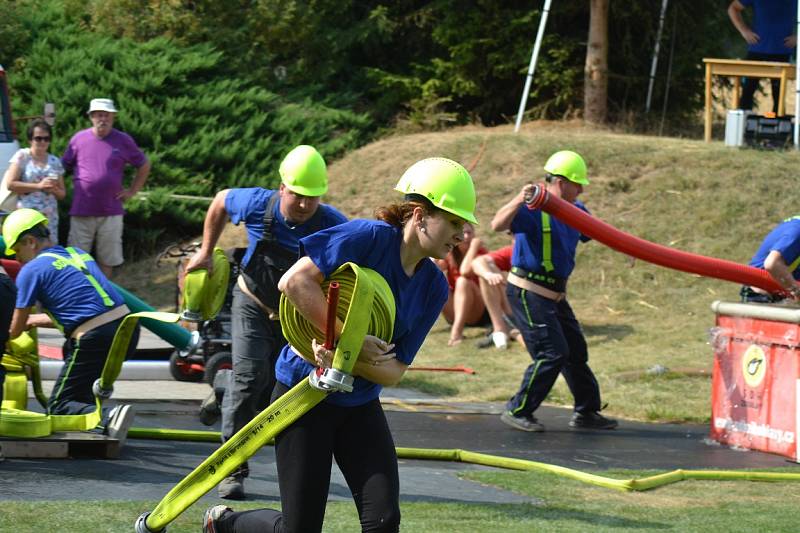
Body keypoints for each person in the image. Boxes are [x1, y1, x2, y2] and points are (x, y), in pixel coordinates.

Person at [201, 157, 477, 533]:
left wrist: (346, 355)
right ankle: (226, 525)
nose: (461, 235)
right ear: (418, 214)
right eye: (454, 222)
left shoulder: (434, 286)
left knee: (384, 520)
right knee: (299, 530)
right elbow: (295, 283)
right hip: (304, 394)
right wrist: (347, 341)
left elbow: (395, 371)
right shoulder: (367, 237)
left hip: (358, 403)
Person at [184, 145, 348, 500]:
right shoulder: (258, 204)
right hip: (252, 302)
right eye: (298, 196)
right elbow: (220, 202)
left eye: (313, 198)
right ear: (282, 188)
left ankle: (224, 386)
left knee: (274, 391)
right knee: (249, 379)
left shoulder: (333, 223)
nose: (305, 205)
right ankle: (231, 470)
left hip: (296, 318)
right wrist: (205, 250)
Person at [493, 150, 617, 433]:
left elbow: (598, 231)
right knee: (552, 352)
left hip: (555, 295)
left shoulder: (577, 210)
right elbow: (497, 224)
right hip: (528, 292)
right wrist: (519, 198)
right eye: (577, 183)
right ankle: (518, 409)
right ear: (560, 181)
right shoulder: (531, 209)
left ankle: (587, 412)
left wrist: (626, 249)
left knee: (575, 351)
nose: (582, 188)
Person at [3, 208, 136, 443]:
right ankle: (90, 413)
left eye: (16, 250)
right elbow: (89, 310)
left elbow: (13, 329)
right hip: (127, 329)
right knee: (74, 376)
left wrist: (12, 330)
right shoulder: (77, 255)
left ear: (31, 242)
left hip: (96, 338)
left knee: (59, 406)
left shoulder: (31, 271)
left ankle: (107, 417)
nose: (16, 258)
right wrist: (34, 320)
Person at [61, 98, 151, 278]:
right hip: (81, 210)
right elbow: (61, 168)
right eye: (99, 115)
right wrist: (60, 191)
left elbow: (144, 164)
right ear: (91, 117)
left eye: (107, 115)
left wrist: (132, 191)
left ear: (113, 117)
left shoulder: (123, 140)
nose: (103, 118)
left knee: (107, 259)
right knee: (76, 259)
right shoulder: (78, 139)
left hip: (111, 211)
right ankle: (78, 296)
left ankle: (105, 299)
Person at [3, 119, 66, 242]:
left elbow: (62, 194)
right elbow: (10, 184)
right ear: (30, 139)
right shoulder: (22, 156)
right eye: (38, 138)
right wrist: (39, 186)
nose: (42, 142)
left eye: (46, 138)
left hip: (49, 219)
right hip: (27, 217)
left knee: (48, 254)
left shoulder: (54, 161)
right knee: (28, 251)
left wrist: (54, 189)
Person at [728, 0, 797, 112]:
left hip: (782, 52)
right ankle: (744, 124)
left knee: (778, 96)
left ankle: (775, 124)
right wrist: (744, 31)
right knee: (747, 92)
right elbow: (733, 8)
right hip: (757, 49)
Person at [436, 222, 489, 345]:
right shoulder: (451, 254)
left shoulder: (481, 253)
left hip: (478, 312)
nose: (465, 236)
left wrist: (473, 248)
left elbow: (465, 271)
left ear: (474, 236)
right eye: (463, 233)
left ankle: (457, 331)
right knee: (435, 282)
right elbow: (434, 270)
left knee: (462, 281)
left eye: (469, 233)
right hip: (454, 311)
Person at [467, 242, 523, 350]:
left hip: (535, 309)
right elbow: (477, 262)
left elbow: (464, 270)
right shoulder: (513, 251)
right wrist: (488, 275)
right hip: (514, 308)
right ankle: (500, 329)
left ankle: (512, 331)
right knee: (488, 271)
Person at [741, 215, 800, 303]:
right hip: (761, 296)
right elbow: (772, 264)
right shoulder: (797, 230)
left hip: (780, 293)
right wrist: (797, 293)